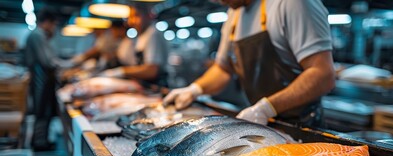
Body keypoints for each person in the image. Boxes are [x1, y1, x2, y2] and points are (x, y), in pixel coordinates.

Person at [163, 0, 335, 126]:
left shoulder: (292, 3)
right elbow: (223, 69)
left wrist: (265, 108)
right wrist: (195, 89)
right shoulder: (234, 14)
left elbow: (322, 74)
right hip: (259, 121)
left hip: (303, 126)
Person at [24, 8, 71, 151]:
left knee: (44, 111)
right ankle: (39, 143)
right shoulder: (38, 35)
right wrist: (70, 63)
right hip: (41, 80)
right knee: (42, 111)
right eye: (53, 24)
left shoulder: (39, 35)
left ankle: (41, 140)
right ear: (47, 22)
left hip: (43, 80)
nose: (54, 28)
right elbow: (48, 61)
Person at [99, 4, 169, 86]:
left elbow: (151, 71)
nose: (131, 22)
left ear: (148, 15)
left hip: (156, 87)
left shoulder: (153, 33)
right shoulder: (143, 35)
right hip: (144, 85)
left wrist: (121, 71)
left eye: (136, 16)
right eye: (130, 18)